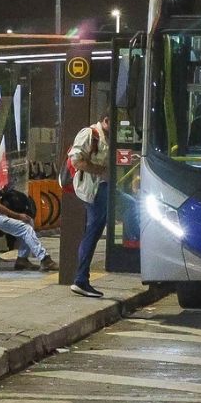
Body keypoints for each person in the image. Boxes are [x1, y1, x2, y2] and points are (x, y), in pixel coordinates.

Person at [0, 148, 56, 272]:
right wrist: (18, 216)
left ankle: (22, 259)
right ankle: (45, 259)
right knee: (25, 228)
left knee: (28, 222)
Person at [68, 110, 113, 298]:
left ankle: (82, 278)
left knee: (94, 231)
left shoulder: (109, 137)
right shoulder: (89, 133)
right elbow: (76, 159)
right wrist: (99, 170)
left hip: (103, 187)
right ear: (106, 120)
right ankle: (80, 279)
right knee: (92, 232)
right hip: (93, 189)